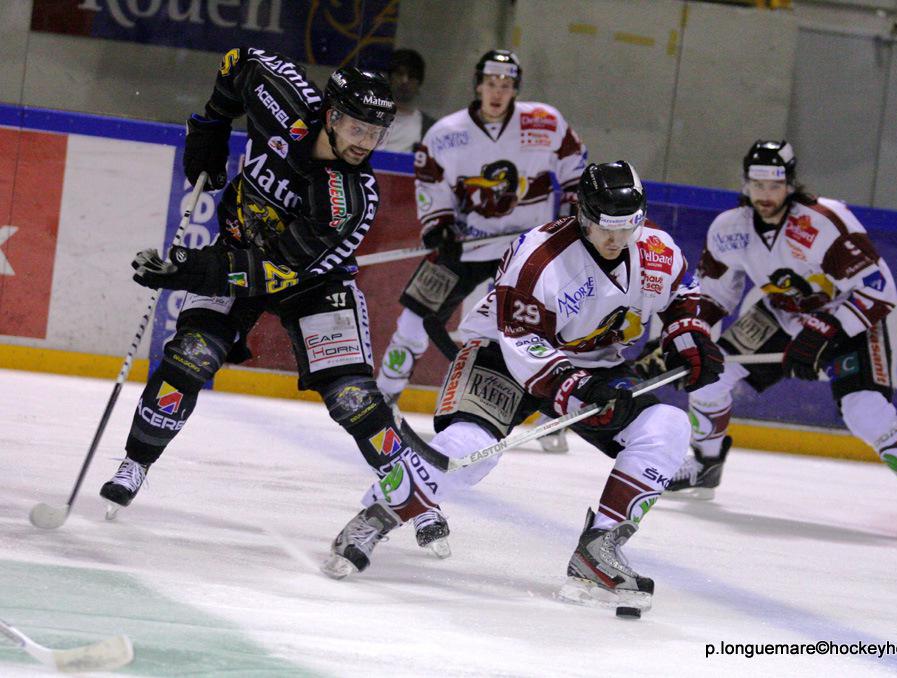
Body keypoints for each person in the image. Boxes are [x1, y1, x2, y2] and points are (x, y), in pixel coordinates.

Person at [325, 161, 725, 612]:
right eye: (604, 229)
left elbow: (682, 295)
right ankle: (376, 516)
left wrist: (689, 337)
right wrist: (578, 388)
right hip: (502, 354)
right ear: (582, 215)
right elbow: (523, 344)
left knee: (668, 425)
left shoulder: (657, 250)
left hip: (591, 365)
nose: (616, 240)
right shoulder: (539, 258)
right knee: (468, 451)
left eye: (626, 227)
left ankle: (600, 546)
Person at [99, 48, 448, 556]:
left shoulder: (350, 199)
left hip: (313, 283)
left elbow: (275, 271)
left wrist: (186, 270)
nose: (365, 143)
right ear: (331, 115)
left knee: (352, 396)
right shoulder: (283, 99)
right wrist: (213, 125)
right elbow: (238, 62)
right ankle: (136, 462)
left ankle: (413, 497)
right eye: (357, 128)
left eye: (377, 134)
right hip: (239, 246)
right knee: (191, 356)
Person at [639, 139, 897, 545]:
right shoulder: (730, 230)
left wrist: (823, 332)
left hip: (849, 319)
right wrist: (686, 332)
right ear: (745, 183)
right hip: (781, 315)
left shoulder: (824, 222)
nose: (765, 195)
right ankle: (705, 465)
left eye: (774, 185)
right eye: (757, 185)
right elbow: (713, 296)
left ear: (791, 183)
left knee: (864, 411)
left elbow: (879, 290)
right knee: (712, 375)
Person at [375, 48, 588, 465]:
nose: (497, 91)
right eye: (491, 83)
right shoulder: (446, 134)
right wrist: (438, 225)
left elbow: (574, 165)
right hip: (466, 244)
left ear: (516, 89)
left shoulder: (543, 122)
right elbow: (430, 181)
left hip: (526, 251)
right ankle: (383, 398)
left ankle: (551, 418)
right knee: (415, 314)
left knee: (544, 332)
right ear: (477, 84)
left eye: (506, 85)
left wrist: (573, 210)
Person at [381, 48, 436, 153]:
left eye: (412, 76)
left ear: (419, 82)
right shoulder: (370, 117)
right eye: (399, 73)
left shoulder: (429, 127)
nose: (404, 81)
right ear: (390, 77)